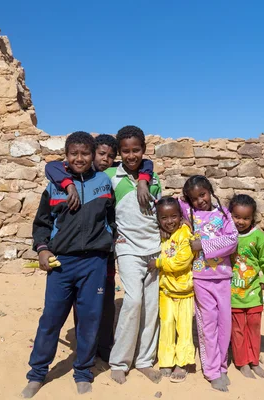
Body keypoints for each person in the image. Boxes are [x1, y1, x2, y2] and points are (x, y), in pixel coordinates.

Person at [44, 134, 154, 362]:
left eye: (110, 156)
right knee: (77, 305)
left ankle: (103, 349)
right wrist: (68, 185)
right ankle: (85, 351)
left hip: (103, 254)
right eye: (101, 154)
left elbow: (145, 163)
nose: (105, 159)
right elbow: (51, 166)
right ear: (92, 152)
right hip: (74, 256)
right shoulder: (67, 174)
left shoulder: (108, 176)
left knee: (102, 304)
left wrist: (143, 179)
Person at [21, 131, 115, 398]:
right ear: (66, 156)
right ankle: (37, 373)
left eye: (85, 153)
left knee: (89, 318)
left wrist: (109, 243)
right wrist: (42, 249)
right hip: (61, 264)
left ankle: (83, 371)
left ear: (93, 154)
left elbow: (111, 218)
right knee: (51, 319)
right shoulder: (54, 186)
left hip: (94, 263)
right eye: (74, 153)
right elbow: (42, 224)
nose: (80, 158)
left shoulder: (103, 183)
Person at [106, 125, 163, 385]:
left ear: (144, 150)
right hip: (127, 247)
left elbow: (161, 211)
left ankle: (144, 360)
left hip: (154, 248)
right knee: (133, 302)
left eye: (136, 150)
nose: (131, 156)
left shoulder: (153, 177)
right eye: (126, 151)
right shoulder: (110, 175)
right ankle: (119, 361)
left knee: (151, 306)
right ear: (119, 152)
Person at [180, 175, 237, 392]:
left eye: (203, 194)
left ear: (210, 191)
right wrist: (186, 207)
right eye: (194, 198)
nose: (200, 201)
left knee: (224, 324)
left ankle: (222, 365)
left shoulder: (223, 214)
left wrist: (202, 244)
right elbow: (176, 202)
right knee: (208, 325)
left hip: (222, 277)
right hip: (201, 278)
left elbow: (232, 240)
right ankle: (212, 370)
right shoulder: (190, 213)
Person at [147, 196, 195, 383]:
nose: (169, 222)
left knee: (184, 328)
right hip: (165, 291)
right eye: (164, 218)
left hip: (184, 292)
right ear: (158, 219)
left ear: (180, 216)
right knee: (166, 325)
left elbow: (182, 261)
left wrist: (158, 263)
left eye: (174, 216)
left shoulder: (185, 234)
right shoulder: (159, 234)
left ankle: (182, 362)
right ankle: (166, 360)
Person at [228, 194, 264, 379]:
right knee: (238, 330)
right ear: (230, 214)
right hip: (233, 295)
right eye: (237, 217)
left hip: (253, 293)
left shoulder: (258, 236)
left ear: (252, 218)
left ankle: (254, 360)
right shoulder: (226, 234)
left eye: (246, 218)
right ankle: (241, 363)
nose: (241, 221)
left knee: (254, 327)